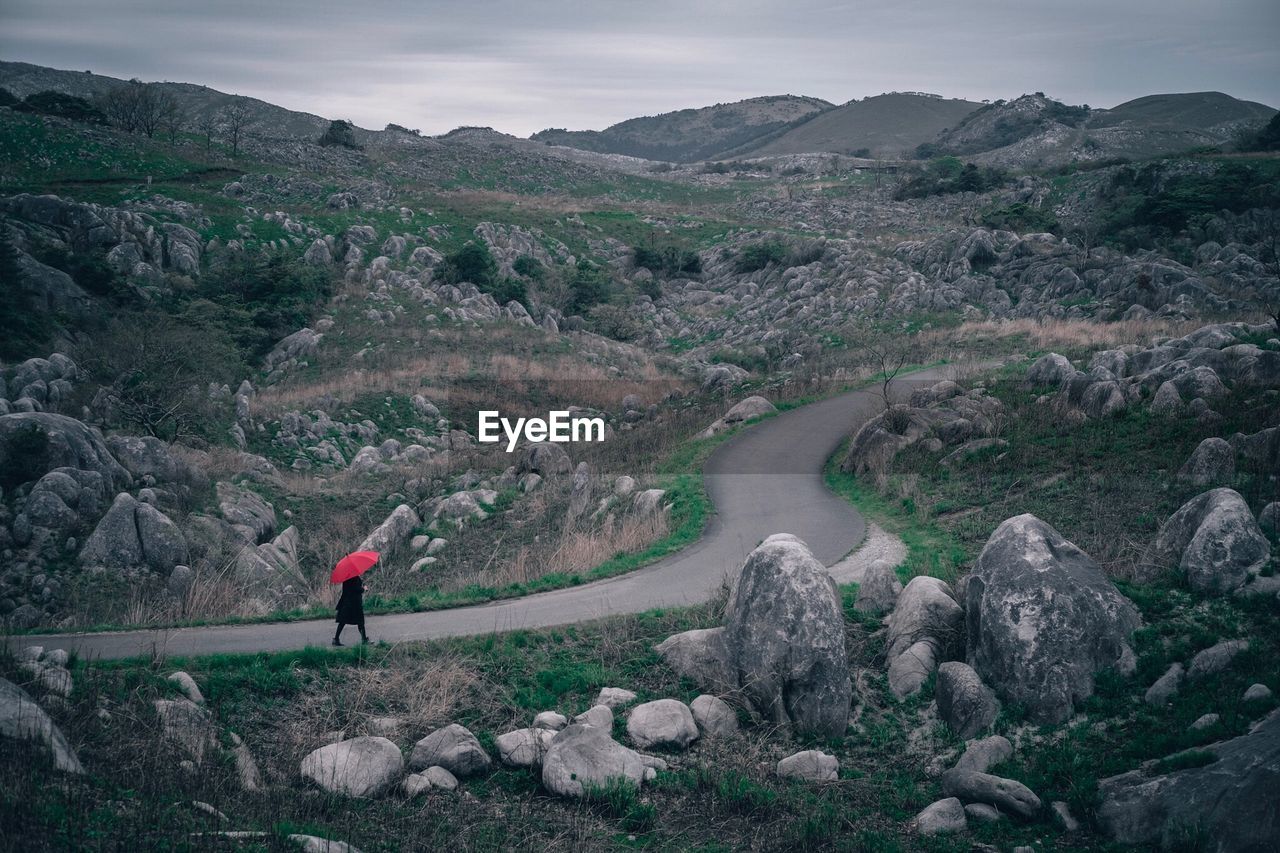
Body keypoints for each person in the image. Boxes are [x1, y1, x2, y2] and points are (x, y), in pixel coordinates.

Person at [334, 574, 368, 646]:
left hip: (346, 601)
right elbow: (356, 589)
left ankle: (336, 639)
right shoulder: (354, 577)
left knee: (342, 621)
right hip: (354, 603)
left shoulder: (347, 577)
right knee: (360, 621)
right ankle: (364, 639)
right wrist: (363, 589)